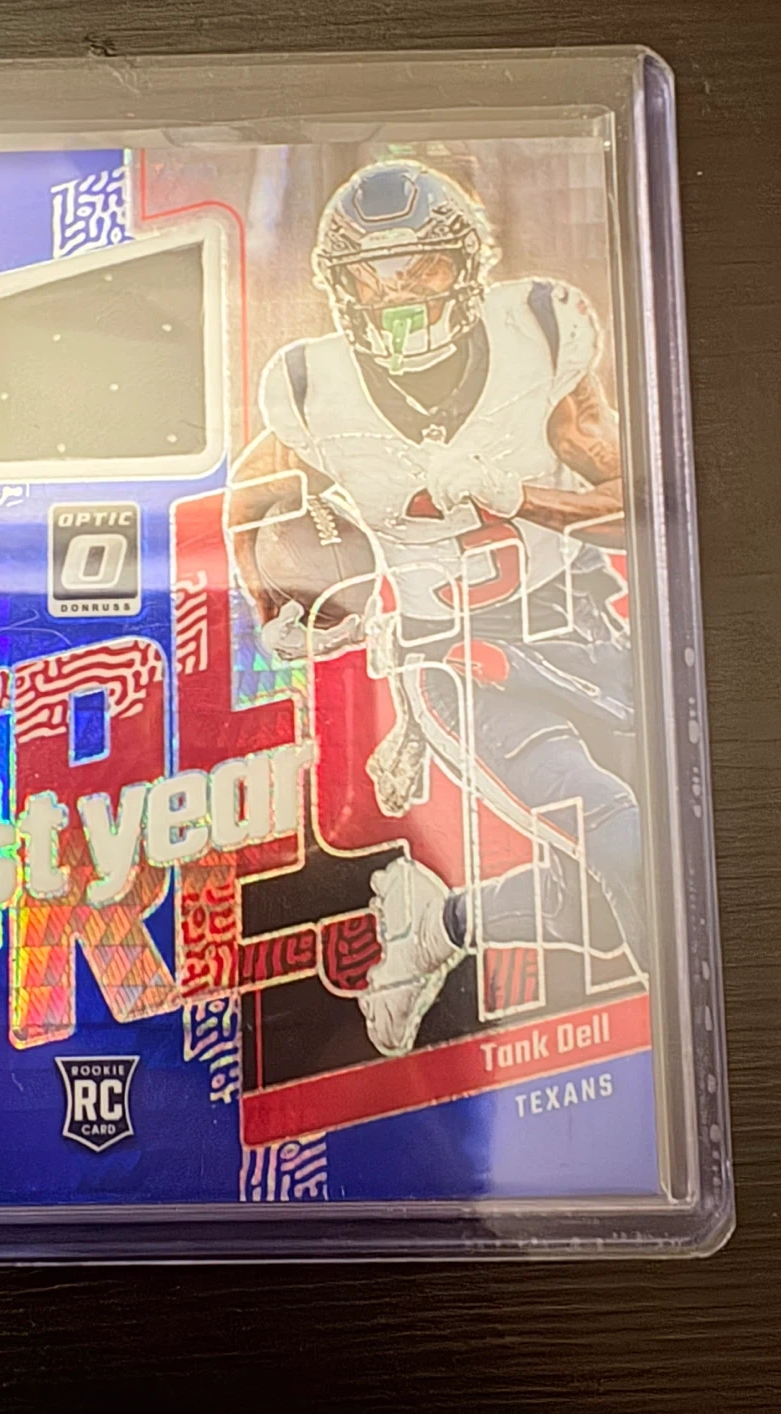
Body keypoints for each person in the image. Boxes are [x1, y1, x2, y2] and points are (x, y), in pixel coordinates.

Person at [227, 160, 644, 1058]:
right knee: (619, 832)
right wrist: (277, 606)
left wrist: (523, 496)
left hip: (579, 621)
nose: (397, 298)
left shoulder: (539, 336)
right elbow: (250, 500)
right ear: (339, 289)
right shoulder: (310, 388)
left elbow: (638, 511)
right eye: (371, 278)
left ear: (469, 267)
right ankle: (684, 1047)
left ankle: (436, 925)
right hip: (457, 656)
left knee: (627, 891)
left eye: (422, 270)